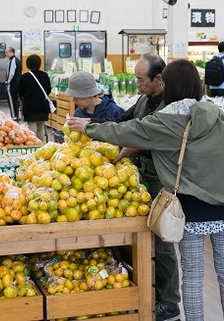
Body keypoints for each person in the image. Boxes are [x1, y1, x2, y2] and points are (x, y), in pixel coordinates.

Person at [67, 59, 224, 321]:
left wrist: (88, 127)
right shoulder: (216, 114)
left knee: (192, 275)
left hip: (191, 208)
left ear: (167, 85)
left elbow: (127, 131)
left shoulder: (166, 120)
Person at [68, 53, 181, 321]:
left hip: (161, 178)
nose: (136, 82)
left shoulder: (169, 107)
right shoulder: (143, 99)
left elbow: (143, 134)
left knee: (162, 239)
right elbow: (123, 124)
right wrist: (91, 128)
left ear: (158, 79)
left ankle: (170, 301)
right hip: (137, 175)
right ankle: (139, 286)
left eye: (140, 79)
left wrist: (101, 132)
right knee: (132, 235)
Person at [17, 54, 52, 143]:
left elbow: (20, 92)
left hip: (30, 107)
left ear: (28, 64)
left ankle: (33, 147)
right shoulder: (45, 75)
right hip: (43, 106)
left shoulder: (25, 77)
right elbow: (48, 90)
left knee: (32, 129)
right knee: (40, 129)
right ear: (39, 64)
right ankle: (40, 147)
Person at [5, 47, 22, 120]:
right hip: (17, 83)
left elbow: (11, 73)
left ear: (11, 52)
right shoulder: (15, 60)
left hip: (12, 84)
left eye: (6, 52)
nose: (5, 54)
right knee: (15, 100)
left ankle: (14, 116)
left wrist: (8, 82)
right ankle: (16, 115)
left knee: (11, 100)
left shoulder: (13, 61)